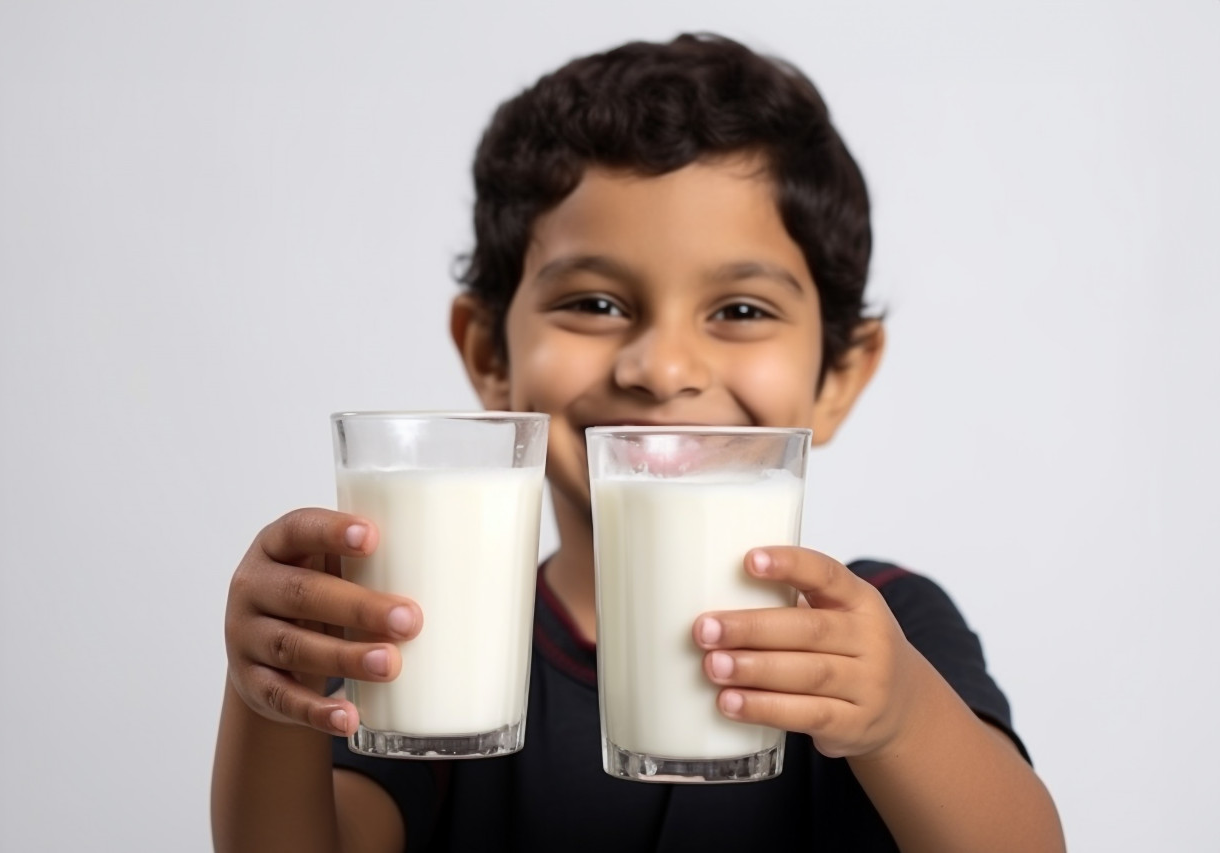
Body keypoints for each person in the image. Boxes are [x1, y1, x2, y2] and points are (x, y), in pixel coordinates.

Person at [211, 33, 1065, 852]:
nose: (661, 368)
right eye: (595, 303)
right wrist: (269, 696)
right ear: (487, 354)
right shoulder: (431, 634)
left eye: (740, 311)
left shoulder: (885, 631)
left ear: (838, 377)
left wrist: (901, 716)